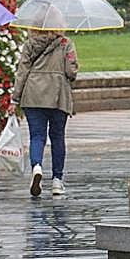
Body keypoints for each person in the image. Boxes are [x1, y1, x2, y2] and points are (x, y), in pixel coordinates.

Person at [13, 29, 79, 198]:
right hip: (58, 96)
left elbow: (22, 72)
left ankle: (37, 167)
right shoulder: (66, 43)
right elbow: (71, 71)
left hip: (33, 94)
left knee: (37, 136)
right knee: (57, 137)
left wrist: (15, 98)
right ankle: (57, 180)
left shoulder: (30, 44)